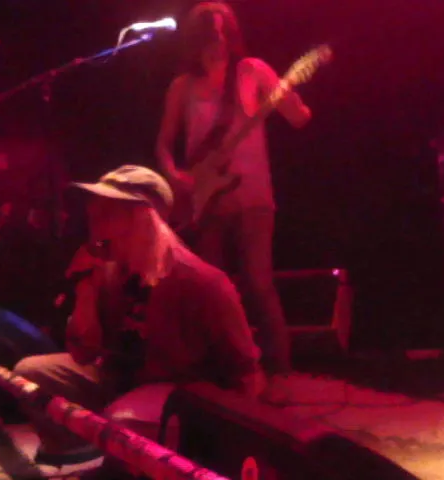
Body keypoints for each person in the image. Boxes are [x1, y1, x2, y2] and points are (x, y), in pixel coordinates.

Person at [5, 165, 264, 466]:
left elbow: (246, 371)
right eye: (93, 215)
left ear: (142, 217)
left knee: (122, 418)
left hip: (178, 392)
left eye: (106, 215)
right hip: (120, 377)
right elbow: (83, 353)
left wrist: (235, 445)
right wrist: (85, 286)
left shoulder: (200, 281)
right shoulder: (111, 272)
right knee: (29, 372)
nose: (95, 228)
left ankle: (135, 461)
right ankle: (81, 453)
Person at [155, 2, 312, 403]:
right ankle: (224, 373)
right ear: (196, 39)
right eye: (211, 33)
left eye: (225, 31)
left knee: (258, 282)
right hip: (207, 200)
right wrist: (176, 176)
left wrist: (291, 101)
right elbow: (164, 145)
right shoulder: (182, 87)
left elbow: (299, 118)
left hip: (253, 195)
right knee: (213, 290)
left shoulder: (251, 72)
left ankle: (279, 371)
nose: (219, 41)